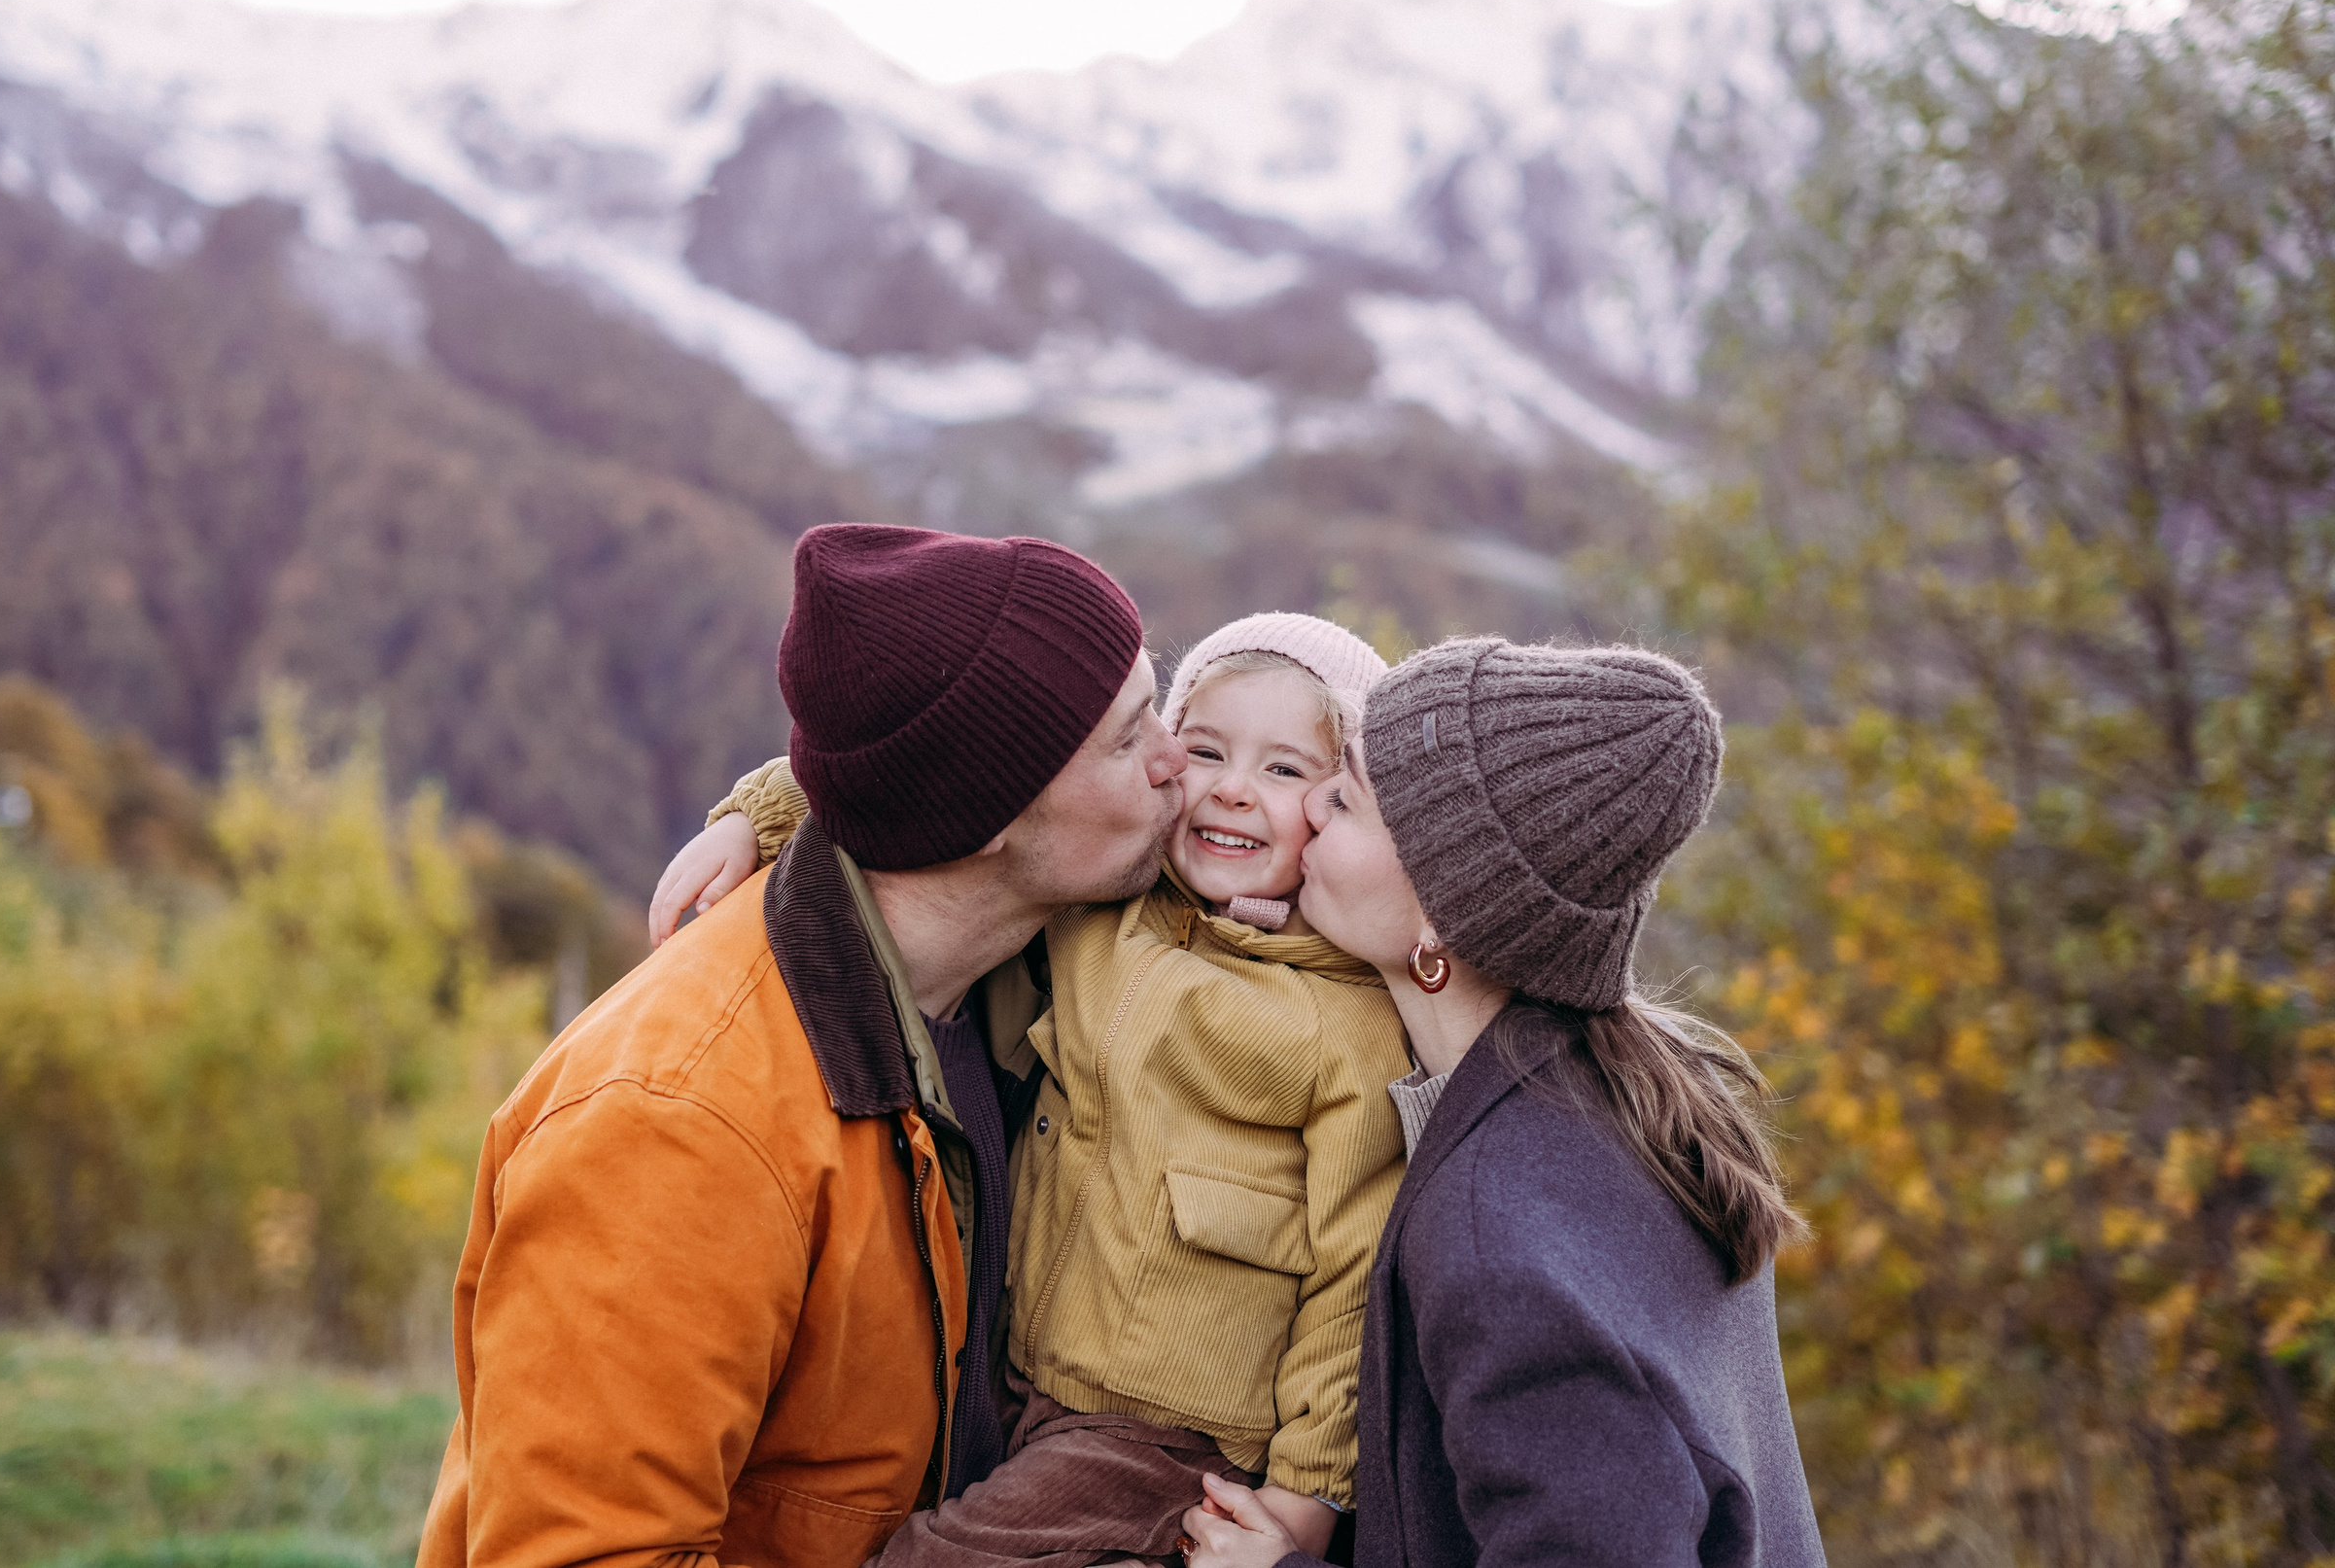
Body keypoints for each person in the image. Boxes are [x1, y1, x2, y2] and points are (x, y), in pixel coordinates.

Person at [416, 524, 1187, 1568]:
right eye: (1128, 737)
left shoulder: (1032, 963)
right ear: (990, 815)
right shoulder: (676, 1128)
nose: (1179, 760)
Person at [660, 613, 1413, 1568]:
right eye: (1207, 750)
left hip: (1169, 1434)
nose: (1231, 789)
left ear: (1345, 805)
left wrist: (1307, 1497)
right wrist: (761, 817)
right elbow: (951, 781)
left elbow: (1354, 1278)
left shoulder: (1346, 1020)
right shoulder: (1111, 913)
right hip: (1022, 1380)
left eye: (1283, 770)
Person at [1178, 639, 1827, 1568]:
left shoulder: (1498, 1227)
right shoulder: (1640, 1092)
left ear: (1442, 915)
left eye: (1348, 796)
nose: (1313, 800)